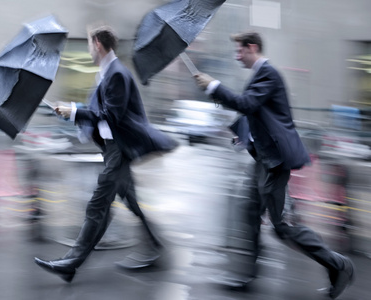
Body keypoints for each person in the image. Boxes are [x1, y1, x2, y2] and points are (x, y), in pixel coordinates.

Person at [194, 31, 354, 299]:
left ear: (252, 47)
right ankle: (247, 275)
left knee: (282, 227)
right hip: (261, 160)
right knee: (248, 210)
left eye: (240, 51)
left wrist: (213, 86)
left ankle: (339, 265)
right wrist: (239, 131)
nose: (237, 56)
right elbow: (254, 113)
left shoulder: (268, 73)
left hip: (274, 162)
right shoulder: (259, 75)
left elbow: (247, 103)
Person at [34, 26, 177, 283]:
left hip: (120, 151)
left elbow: (112, 116)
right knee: (130, 202)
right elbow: (98, 112)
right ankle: (157, 247)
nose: (88, 49)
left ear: (98, 44)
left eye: (89, 44)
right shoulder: (106, 74)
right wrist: (70, 111)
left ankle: (71, 263)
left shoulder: (117, 74)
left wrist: (75, 112)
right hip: (113, 150)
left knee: (98, 206)